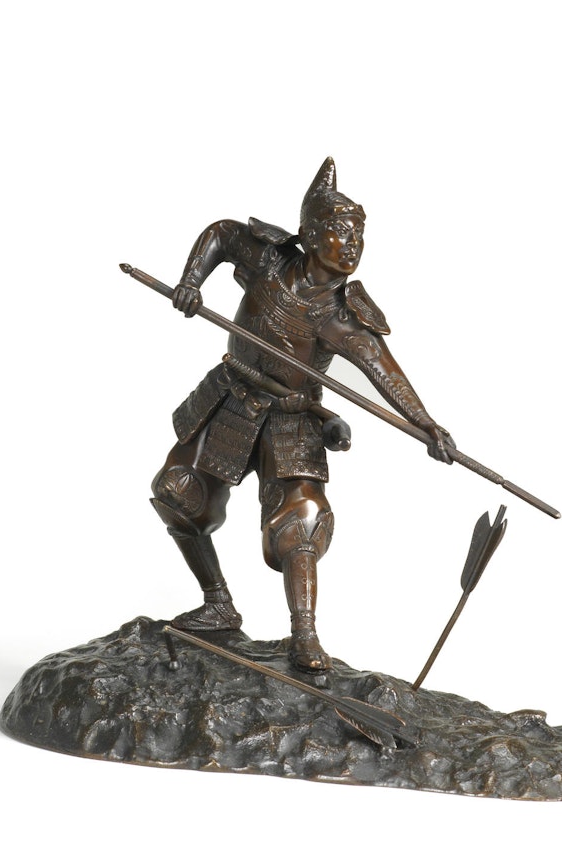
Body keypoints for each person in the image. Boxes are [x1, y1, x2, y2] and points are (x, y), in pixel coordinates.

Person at [152, 158, 452, 673]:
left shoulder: (341, 316)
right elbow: (221, 234)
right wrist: (191, 281)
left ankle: (305, 636)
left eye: (359, 235)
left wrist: (426, 424)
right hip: (232, 394)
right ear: (310, 235)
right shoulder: (269, 261)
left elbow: (384, 371)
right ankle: (218, 603)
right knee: (178, 493)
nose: (353, 244)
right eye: (341, 232)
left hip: (292, 419)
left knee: (301, 525)